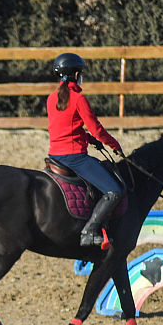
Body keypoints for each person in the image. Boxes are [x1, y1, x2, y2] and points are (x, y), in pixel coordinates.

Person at [47, 52, 126, 246]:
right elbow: (96, 129)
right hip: (74, 158)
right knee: (115, 190)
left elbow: (68, 128)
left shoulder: (51, 98)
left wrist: (90, 140)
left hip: (54, 155)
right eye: (80, 73)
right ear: (75, 75)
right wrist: (114, 145)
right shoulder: (78, 99)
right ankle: (90, 231)